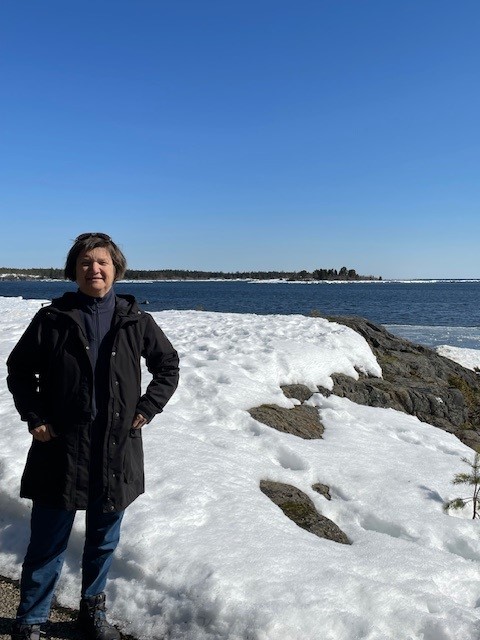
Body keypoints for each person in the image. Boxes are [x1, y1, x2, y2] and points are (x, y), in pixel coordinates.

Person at [7, 233, 180, 640]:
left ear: (116, 268)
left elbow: (167, 365)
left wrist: (146, 408)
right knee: (48, 542)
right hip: (60, 448)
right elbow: (19, 370)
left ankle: (92, 613)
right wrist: (35, 416)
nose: (94, 270)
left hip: (115, 450)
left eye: (101, 262)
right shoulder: (52, 320)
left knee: (103, 541)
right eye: (85, 263)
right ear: (74, 271)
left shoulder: (135, 320)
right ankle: (31, 621)